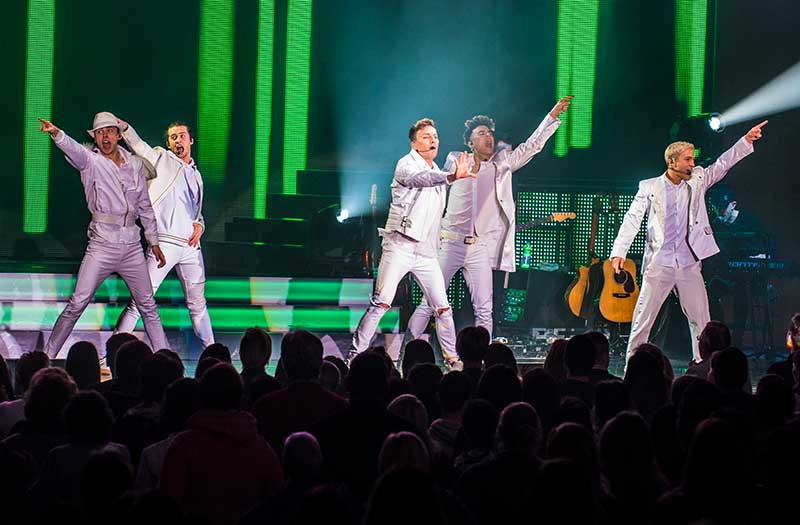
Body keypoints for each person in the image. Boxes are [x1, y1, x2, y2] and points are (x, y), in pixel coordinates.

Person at [407, 97, 572, 339]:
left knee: (485, 310)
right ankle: (406, 350)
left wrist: (552, 116)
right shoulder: (456, 159)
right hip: (450, 244)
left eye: (490, 133)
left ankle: (481, 359)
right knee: (430, 302)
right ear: (470, 142)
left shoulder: (502, 164)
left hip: (479, 248)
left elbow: (532, 146)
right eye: (482, 132)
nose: (489, 137)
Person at [609, 120, 767, 362]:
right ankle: (633, 366)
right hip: (659, 264)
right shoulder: (649, 186)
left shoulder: (698, 179)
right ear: (672, 162)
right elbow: (632, 219)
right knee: (642, 320)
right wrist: (619, 251)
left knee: (701, 321)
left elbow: (722, 164)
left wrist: (745, 140)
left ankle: (703, 366)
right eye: (687, 159)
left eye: (693, 159)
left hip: (688, 263)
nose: (693, 164)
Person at [38, 113, 168, 357]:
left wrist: (154, 241)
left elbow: (145, 206)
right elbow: (75, 149)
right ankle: (47, 357)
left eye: (109, 131)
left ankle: (165, 359)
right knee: (77, 303)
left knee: (148, 305)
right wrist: (57, 134)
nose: (104, 136)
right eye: (99, 132)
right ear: (95, 138)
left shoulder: (136, 164)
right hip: (102, 244)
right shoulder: (92, 161)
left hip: (131, 245)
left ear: (119, 135)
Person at [350, 118, 473, 366]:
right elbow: (423, 179)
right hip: (400, 246)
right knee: (381, 303)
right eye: (427, 136)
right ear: (415, 143)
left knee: (442, 308)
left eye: (435, 136)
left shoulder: (438, 171)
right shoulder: (406, 165)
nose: (433, 140)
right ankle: (354, 357)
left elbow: (436, 186)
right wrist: (450, 176)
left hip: (426, 253)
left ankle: (452, 359)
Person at [114, 118, 213, 348]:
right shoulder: (160, 158)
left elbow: (196, 212)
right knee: (140, 302)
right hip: (164, 244)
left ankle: (213, 352)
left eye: (181, 135)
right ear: (169, 143)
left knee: (198, 305)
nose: (178, 140)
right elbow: (139, 146)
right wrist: (125, 127)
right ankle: (110, 354)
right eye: (173, 137)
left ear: (191, 140)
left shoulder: (197, 175)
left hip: (190, 247)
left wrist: (200, 224)